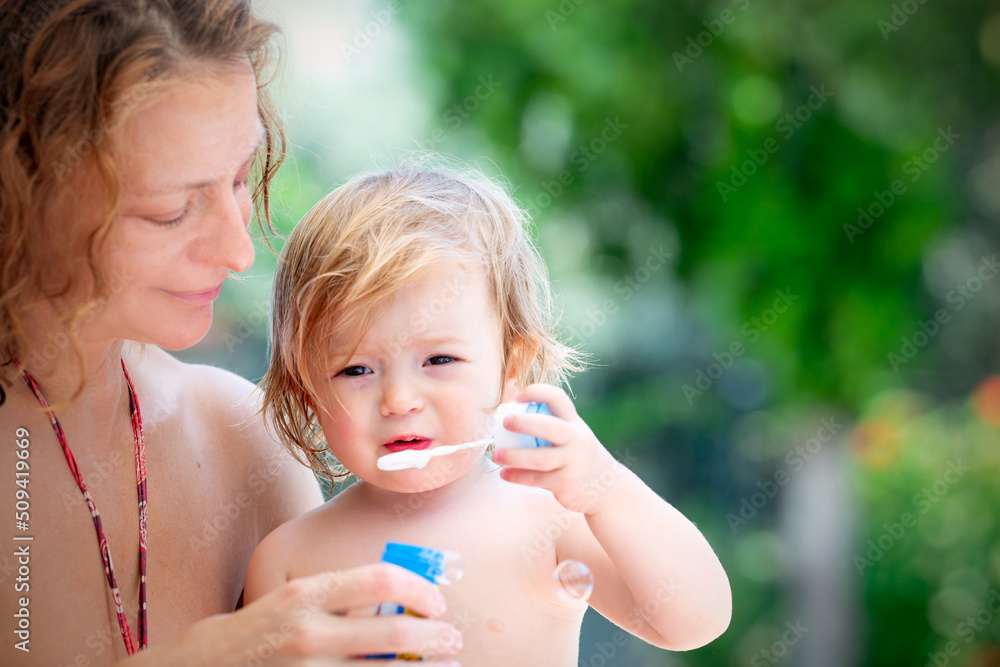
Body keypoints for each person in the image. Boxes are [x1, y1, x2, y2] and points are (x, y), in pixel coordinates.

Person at [0, 1, 463, 665]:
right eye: (170, 210)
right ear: (20, 193)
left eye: (242, 176)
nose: (239, 251)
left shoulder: (247, 444)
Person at [246, 164, 733, 664]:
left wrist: (605, 488)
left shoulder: (548, 521)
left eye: (439, 360)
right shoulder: (288, 562)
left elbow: (696, 622)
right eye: (356, 369)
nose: (400, 399)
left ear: (511, 369)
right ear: (308, 393)